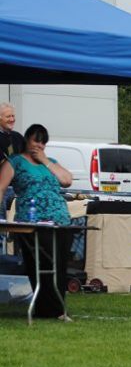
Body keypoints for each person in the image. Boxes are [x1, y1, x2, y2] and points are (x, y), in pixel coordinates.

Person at [0, 123, 74, 319]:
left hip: (59, 220)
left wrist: (45, 160)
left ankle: (58, 308)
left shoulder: (50, 162)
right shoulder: (15, 162)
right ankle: (46, 308)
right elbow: (1, 187)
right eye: (35, 141)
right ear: (27, 140)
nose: (39, 146)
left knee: (59, 265)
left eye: (43, 143)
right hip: (32, 221)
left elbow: (67, 180)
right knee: (41, 263)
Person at [0, 102, 25, 211]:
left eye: (13, 116)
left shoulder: (18, 137)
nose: (12, 119)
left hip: (18, 189)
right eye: (8, 116)